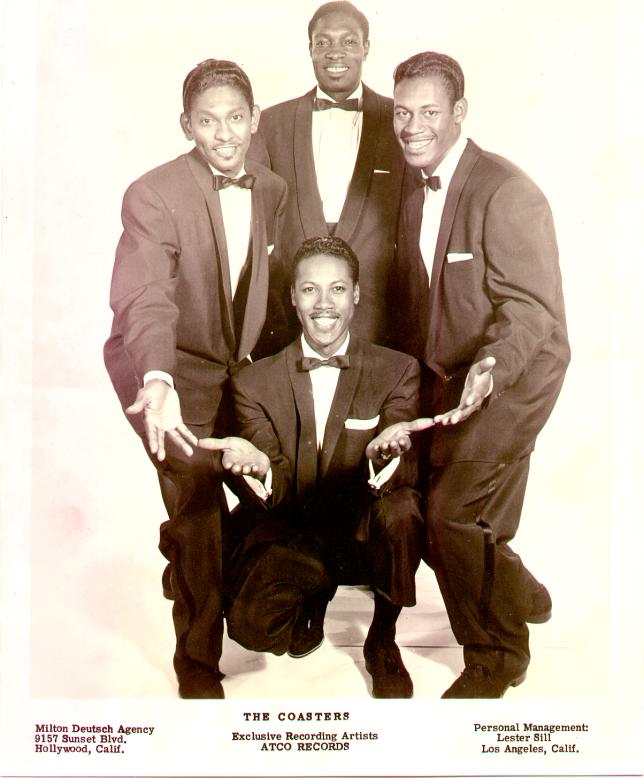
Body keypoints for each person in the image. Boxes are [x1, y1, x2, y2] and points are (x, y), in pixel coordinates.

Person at [103, 58, 287, 698]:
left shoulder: (271, 190)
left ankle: (186, 553)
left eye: (236, 117)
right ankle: (198, 662)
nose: (225, 133)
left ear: (255, 119)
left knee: (283, 485)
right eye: (207, 121)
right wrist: (156, 378)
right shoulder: (153, 194)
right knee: (201, 508)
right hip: (167, 373)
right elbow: (147, 296)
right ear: (187, 125)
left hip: (236, 369)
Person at [391, 52, 571, 698]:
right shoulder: (417, 187)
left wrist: (491, 368)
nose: (412, 126)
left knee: (452, 514)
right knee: (426, 510)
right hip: (451, 374)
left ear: (459, 114)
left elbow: (530, 311)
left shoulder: (507, 191)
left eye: (429, 113)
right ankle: (517, 590)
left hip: (515, 375)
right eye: (403, 113)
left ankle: (498, 652)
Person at [198, 236, 426, 698]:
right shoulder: (253, 382)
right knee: (253, 628)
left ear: (357, 294)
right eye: (309, 290)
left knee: (402, 511)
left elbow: (403, 456)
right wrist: (259, 468)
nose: (324, 304)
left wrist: (385, 454)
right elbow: (277, 487)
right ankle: (313, 592)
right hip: (295, 527)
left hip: (364, 527)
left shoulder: (398, 370)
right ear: (292, 296)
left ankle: (382, 637)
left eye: (338, 289)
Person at [247, 1, 403, 346]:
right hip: (291, 318)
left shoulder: (400, 119)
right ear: (310, 49)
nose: (335, 52)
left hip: (379, 319)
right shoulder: (271, 125)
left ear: (366, 47)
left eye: (348, 41)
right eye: (323, 42)